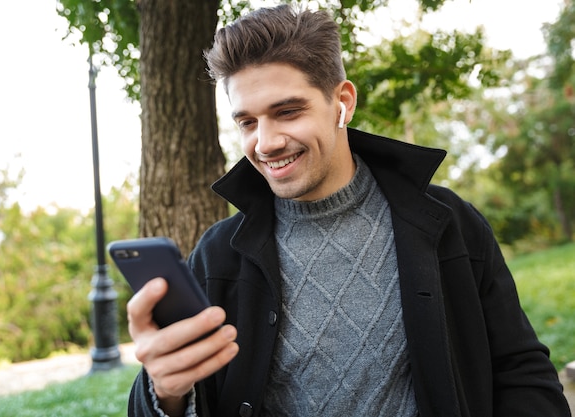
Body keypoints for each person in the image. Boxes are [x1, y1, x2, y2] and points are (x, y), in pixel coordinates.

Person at [126, 5, 571, 417]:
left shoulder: (451, 224)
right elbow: (177, 397)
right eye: (248, 122)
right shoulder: (219, 255)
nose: (265, 142)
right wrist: (163, 392)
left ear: (343, 102)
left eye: (287, 111)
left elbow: (521, 373)